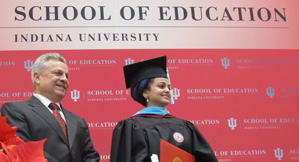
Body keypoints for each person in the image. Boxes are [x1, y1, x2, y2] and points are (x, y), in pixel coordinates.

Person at [110, 56, 218, 162]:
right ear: (145, 92)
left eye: (169, 87)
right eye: (161, 86)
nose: (167, 90)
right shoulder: (132, 127)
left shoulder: (185, 127)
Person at [1, 53, 100, 162]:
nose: (64, 79)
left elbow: (91, 156)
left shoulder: (79, 121)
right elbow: (21, 153)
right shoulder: (15, 110)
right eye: (57, 73)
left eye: (67, 76)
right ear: (37, 77)